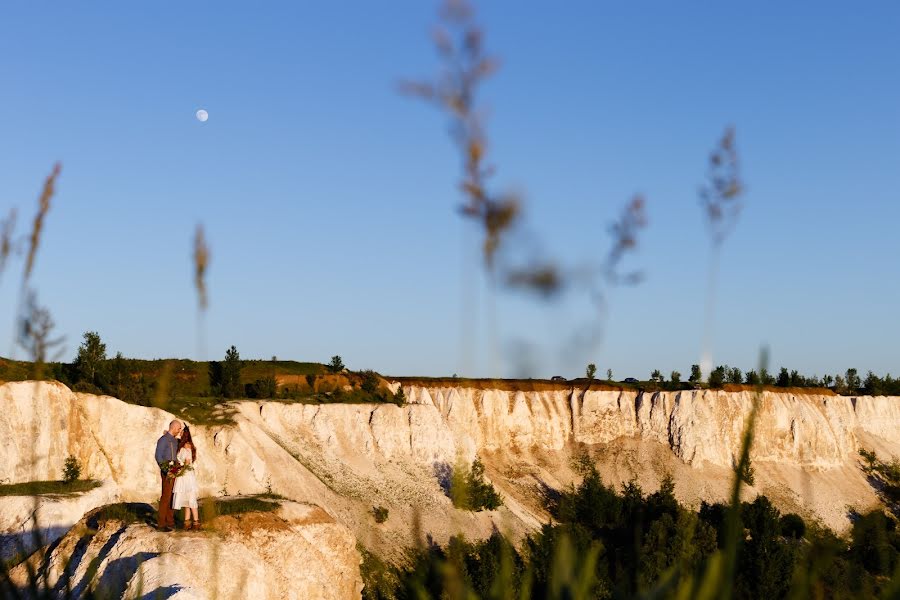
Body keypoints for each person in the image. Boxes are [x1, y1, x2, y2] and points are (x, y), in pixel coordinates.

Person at [154, 419, 182, 531]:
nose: (179, 431)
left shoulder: (174, 441)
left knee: (173, 495)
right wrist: (165, 469)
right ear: (174, 428)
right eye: (179, 428)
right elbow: (158, 456)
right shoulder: (163, 440)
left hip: (175, 468)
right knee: (166, 496)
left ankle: (170, 521)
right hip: (167, 470)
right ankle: (161, 524)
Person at [172, 425, 201, 529]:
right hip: (186, 473)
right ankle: (187, 522)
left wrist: (179, 470)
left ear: (185, 434)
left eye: (182, 431)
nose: (180, 432)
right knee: (187, 500)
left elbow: (187, 462)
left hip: (186, 474)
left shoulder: (187, 446)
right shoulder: (185, 445)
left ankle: (196, 522)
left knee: (191, 498)